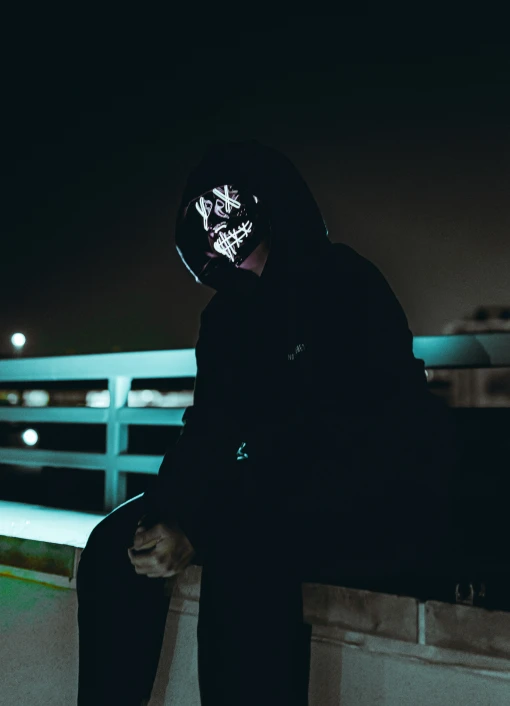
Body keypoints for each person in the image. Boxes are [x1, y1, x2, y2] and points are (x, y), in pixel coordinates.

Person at [76, 141, 458, 705]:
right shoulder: (225, 318)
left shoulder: (345, 282)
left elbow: (348, 436)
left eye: (226, 207)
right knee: (115, 546)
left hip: (367, 490)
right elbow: (208, 429)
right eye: (201, 219)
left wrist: (200, 525)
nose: (218, 229)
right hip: (267, 486)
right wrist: (169, 509)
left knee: (244, 554)